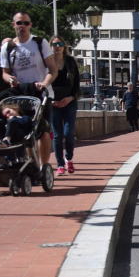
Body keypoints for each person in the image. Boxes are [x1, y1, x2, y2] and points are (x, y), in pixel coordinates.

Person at [0, 11, 56, 167]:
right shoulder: (7, 47)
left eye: (26, 23)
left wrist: (44, 83)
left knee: (42, 130)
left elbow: (53, 69)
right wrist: (10, 79)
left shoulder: (39, 42)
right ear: (13, 25)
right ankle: (31, 163)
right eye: (19, 23)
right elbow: (4, 72)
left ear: (30, 25)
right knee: (24, 130)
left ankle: (43, 166)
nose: (22, 26)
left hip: (40, 93)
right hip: (19, 95)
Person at [48, 37, 81, 175]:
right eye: (54, 44)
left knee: (68, 133)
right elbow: (44, 83)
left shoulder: (70, 62)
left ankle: (69, 159)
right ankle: (60, 164)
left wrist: (71, 98)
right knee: (57, 135)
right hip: (53, 103)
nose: (57, 46)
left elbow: (77, 85)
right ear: (50, 46)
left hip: (69, 102)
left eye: (60, 44)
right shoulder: (47, 63)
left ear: (64, 46)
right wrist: (50, 101)